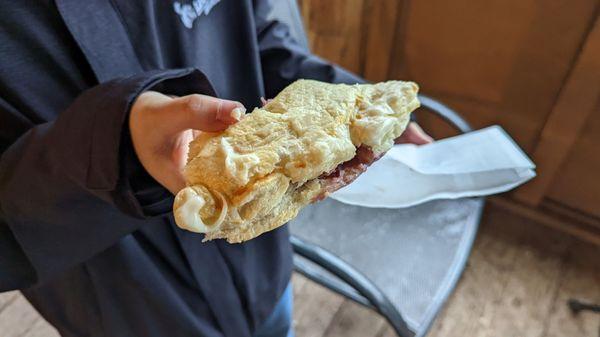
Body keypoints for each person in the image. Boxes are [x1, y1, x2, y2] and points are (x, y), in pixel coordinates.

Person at [0, 1, 432, 336]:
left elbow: (253, 37)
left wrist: (351, 106)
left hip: (263, 269)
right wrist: (113, 149)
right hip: (125, 311)